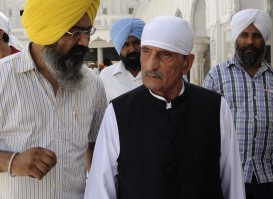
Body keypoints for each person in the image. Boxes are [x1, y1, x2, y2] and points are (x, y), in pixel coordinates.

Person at [85, 16, 245, 199]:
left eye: (165, 55)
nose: (151, 64)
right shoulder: (118, 112)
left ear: (187, 63)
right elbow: (100, 189)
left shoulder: (215, 108)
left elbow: (232, 183)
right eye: (146, 52)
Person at [0, 0, 107, 198]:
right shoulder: (2, 78)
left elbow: (97, 153)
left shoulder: (93, 85)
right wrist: (12, 162)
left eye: (87, 32)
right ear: (47, 31)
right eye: (75, 32)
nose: (85, 42)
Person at [203, 9, 273, 199]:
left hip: (270, 177)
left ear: (264, 39)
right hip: (229, 175)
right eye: (244, 35)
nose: (250, 42)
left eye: (256, 36)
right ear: (236, 37)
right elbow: (203, 125)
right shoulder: (217, 75)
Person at [99, 17, 145, 102]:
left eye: (137, 43)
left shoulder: (157, 73)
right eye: (126, 44)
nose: (132, 49)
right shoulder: (106, 76)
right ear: (118, 47)